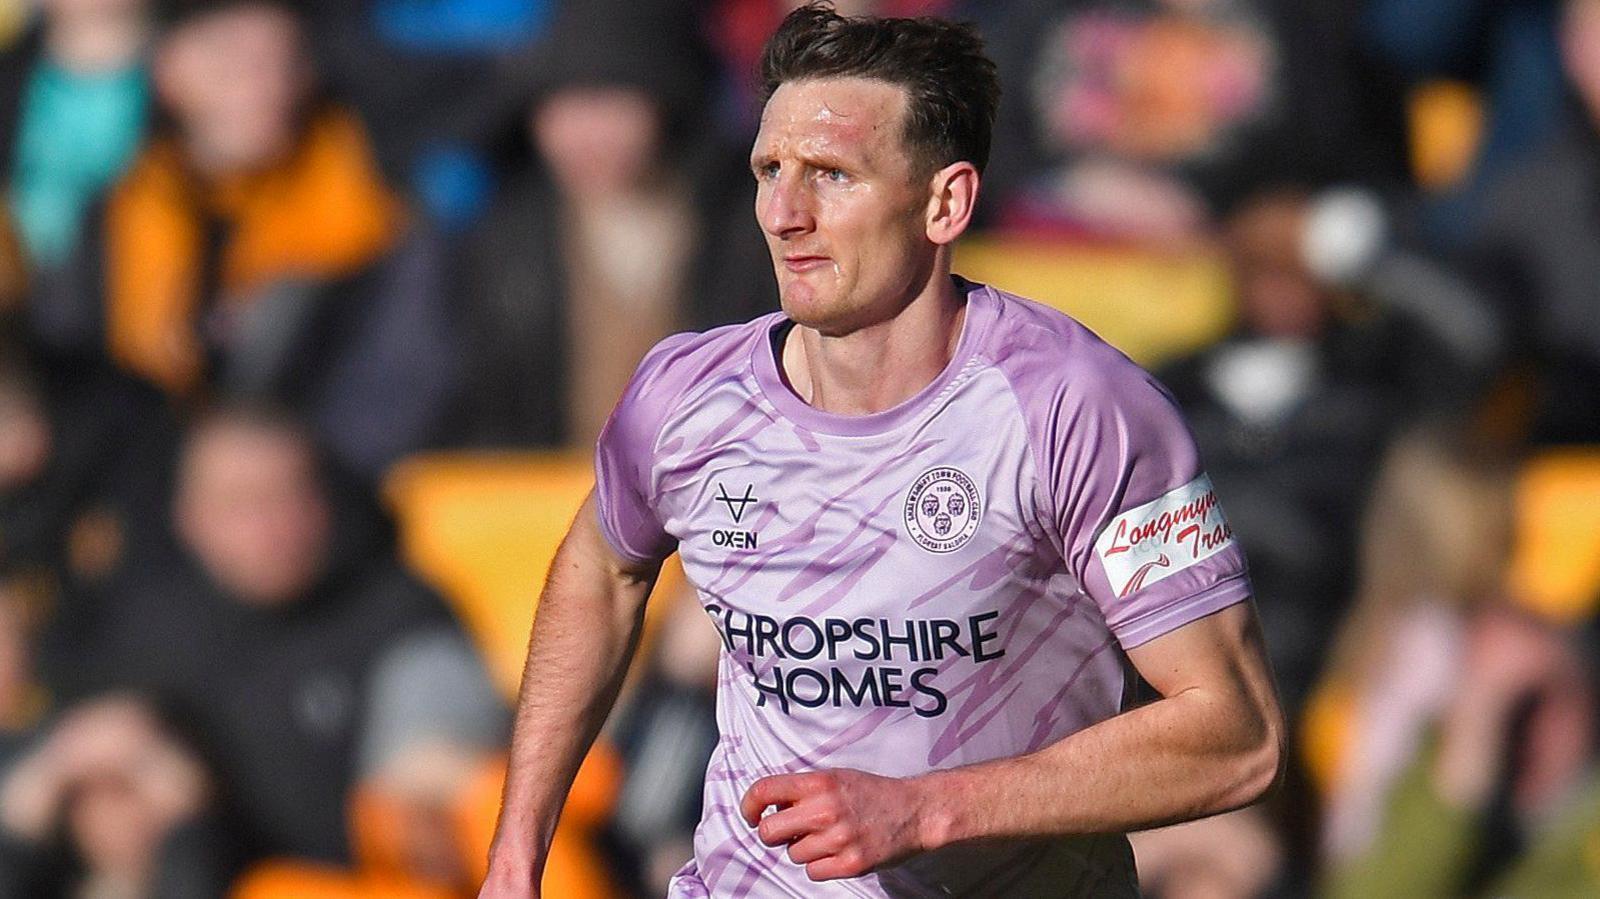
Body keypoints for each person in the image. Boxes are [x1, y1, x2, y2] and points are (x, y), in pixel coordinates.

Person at [481, 6, 1284, 897]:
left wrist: (926, 809)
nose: (784, 214)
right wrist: (516, 853)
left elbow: (1235, 734)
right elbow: (601, 571)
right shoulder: (685, 399)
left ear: (946, 203)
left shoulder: (1077, 408)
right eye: (770, 170)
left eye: (831, 174)